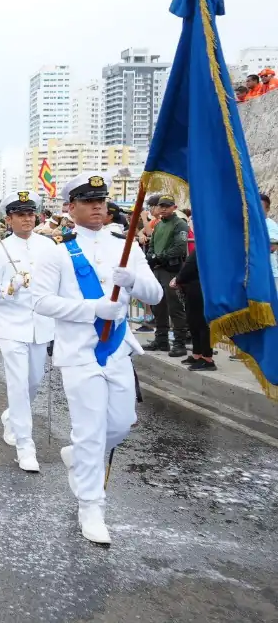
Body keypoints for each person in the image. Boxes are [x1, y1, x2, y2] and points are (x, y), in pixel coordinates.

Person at [31, 172, 162, 545]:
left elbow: (155, 295)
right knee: (90, 431)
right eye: (88, 201)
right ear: (70, 207)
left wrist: (132, 280)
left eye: (101, 201)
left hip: (117, 350)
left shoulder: (125, 244)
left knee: (121, 424)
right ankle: (91, 506)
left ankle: (78, 455)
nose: (97, 207)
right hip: (79, 353)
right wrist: (93, 309)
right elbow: (41, 301)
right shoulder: (57, 250)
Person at [0, 191, 56, 473]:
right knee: (18, 384)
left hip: (41, 325)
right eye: (20, 215)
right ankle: (26, 445)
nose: (27, 219)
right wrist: (9, 288)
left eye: (30, 214)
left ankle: (11, 417)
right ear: (9, 219)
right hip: (11, 325)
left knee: (33, 382)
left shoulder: (49, 246)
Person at [144, 195, 190, 356]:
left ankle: (179, 343)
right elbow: (152, 245)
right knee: (158, 306)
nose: (163, 208)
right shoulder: (158, 225)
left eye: (167, 206)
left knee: (175, 308)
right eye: (161, 206)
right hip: (158, 269)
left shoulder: (180, 224)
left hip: (172, 270)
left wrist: (159, 257)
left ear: (174, 207)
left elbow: (179, 247)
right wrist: (151, 256)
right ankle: (161, 340)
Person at [171, 251, 215, 371]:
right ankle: (197, 354)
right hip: (194, 287)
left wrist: (178, 279)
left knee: (202, 324)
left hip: (200, 287)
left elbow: (190, 267)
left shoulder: (204, 247)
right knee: (194, 323)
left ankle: (207, 358)